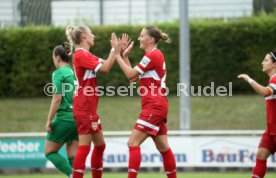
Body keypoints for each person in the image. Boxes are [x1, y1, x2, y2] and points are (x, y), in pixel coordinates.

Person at [115, 26, 177, 178]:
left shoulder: (152, 55)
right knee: (164, 148)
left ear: (151, 39)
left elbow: (130, 75)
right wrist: (124, 56)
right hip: (158, 105)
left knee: (132, 143)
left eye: (141, 36)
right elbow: (133, 78)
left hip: (154, 107)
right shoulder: (152, 56)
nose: (139, 38)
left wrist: (116, 55)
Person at [66, 25, 120, 178]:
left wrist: (117, 51)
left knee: (100, 146)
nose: (93, 36)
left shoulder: (86, 54)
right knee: (84, 147)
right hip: (84, 107)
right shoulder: (81, 55)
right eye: (91, 34)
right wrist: (113, 50)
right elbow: (105, 69)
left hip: (89, 108)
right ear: (84, 36)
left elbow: (107, 63)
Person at [238, 51, 276, 178]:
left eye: (266, 60)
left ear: (274, 64)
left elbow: (266, 92)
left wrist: (249, 79)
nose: (262, 62)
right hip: (271, 131)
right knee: (261, 156)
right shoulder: (272, 80)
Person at [44, 42, 78, 178]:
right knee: (73, 157)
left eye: (53, 58)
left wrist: (49, 120)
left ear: (57, 57)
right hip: (76, 118)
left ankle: (72, 175)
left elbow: (57, 98)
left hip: (64, 117)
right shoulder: (73, 72)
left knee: (49, 152)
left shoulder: (58, 73)